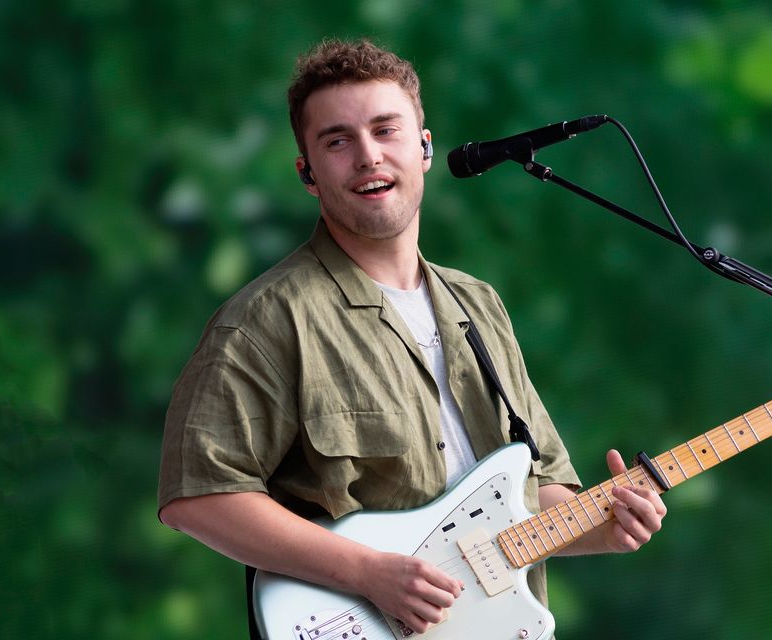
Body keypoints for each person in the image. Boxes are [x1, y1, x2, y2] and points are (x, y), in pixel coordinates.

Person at [157, 38, 666, 636]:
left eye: (386, 130)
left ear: (424, 148)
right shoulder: (268, 319)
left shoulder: (478, 306)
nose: (368, 156)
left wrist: (603, 526)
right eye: (338, 141)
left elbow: (530, 500)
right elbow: (198, 496)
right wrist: (367, 572)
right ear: (308, 174)